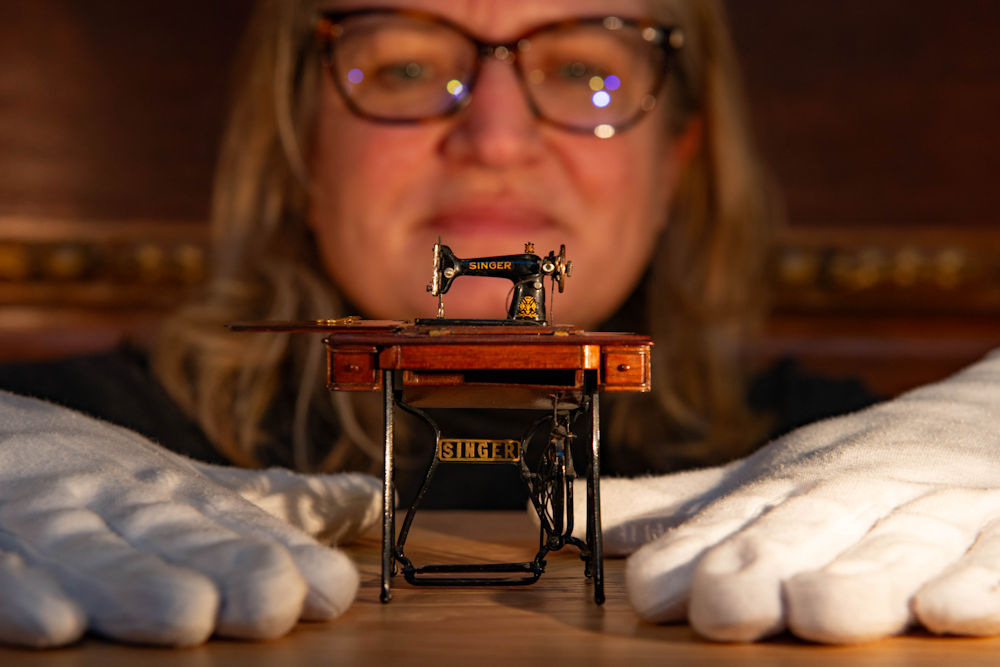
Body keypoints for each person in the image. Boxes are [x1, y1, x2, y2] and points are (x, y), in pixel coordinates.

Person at [0, 0, 997, 650]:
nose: (494, 139)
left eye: (584, 72)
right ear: (296, 146)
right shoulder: (61, 450)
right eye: (402, 69)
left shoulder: (880, 471)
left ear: (676, 162)